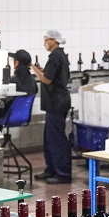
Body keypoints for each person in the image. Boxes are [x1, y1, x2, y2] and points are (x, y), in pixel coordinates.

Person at [31, 30, 72, 183]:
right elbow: (51, 75)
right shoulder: (59, 56)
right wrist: (41, 71)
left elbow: (47, 80)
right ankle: (52, 169)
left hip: (57, 102)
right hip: (54, 103)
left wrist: (33, 68)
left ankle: (63, 173)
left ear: (54, 40)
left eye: (46, 40)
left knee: (57, 139)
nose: (44, 44)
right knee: (49, 138)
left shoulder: (55, 56)